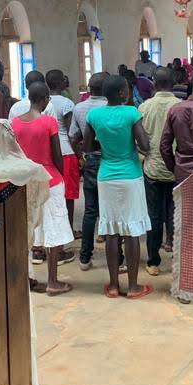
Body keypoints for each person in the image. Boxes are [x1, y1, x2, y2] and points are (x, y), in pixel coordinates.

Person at [83, 76, 153, 299]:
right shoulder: (132, 113)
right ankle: (133, 287)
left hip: (106, 176)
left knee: (111, 232)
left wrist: (106, 143)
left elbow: (87, 146)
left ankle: (113, 285)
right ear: (123, 93)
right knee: (132, 232)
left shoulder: (94, 115)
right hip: (130, 176)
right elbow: (145, 145)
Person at [12, 82, 75, 296]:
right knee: (53, 229)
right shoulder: (49, 122)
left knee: (28, 230)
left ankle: (28, 277)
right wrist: (60, 174)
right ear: (46, 99)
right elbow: (57, 155)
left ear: (29, 97)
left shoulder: (15, 123)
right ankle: (53, 281)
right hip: (50, 180)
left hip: (26, 181)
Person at [137, 68, 180, 276]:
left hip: (152, 167)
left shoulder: (144, 107)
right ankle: (177, 259)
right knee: (174, 214)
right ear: (174, 83)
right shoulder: (180, 106)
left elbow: (139, 139)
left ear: (154, 83)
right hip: (175, 168)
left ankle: (153, 261)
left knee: (153, 215)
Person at [70, 72, 109, 268]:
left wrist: (80, 157)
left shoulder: (79, 108)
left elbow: (73, 136)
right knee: (111, 210)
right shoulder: (111, 107)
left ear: (90, 88)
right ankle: (117, 259)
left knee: (90, 210)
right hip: (110, 159)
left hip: (91, 160)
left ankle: (85, 257)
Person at [45, 70, 79, 231]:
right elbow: (71, 132)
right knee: (68, 194)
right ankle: (68, 229)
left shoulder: (43, 102)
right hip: (66, 151)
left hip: (49, 151)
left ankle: (54, 228)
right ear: (60, 83)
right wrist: (79, 155)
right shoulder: (66, 103)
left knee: (53, 192)